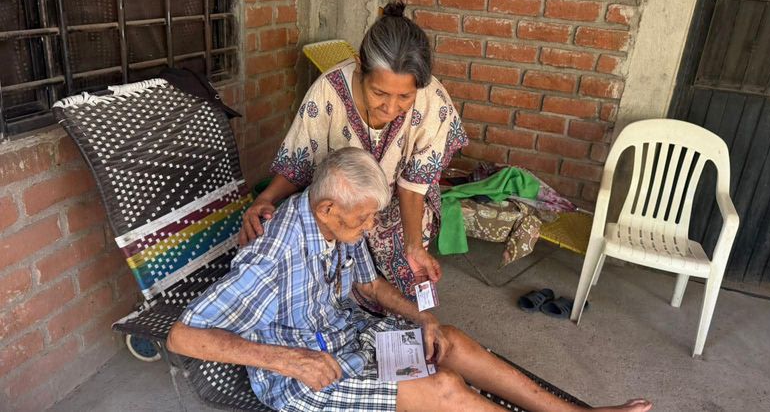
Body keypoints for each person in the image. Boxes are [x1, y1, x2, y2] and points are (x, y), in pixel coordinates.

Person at [168, 148, 652, 412]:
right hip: (304, 377)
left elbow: (369, 287)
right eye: (361, 222)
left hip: (348, 336)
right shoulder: (272, 255)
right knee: (443, 389)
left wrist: (423, 318)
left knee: (450, 343)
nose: (367, 232)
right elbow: (182, 334)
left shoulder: (339, 222)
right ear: (327, 209)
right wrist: (284, 359)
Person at [238, 0, 468, 305]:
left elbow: (413, 186)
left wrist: (414, 246)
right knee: (302, 257)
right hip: (344, 199)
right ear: (360, 65)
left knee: (400, 282)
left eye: (405, 97)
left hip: (402, 203)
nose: (390, 108)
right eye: (379, 93)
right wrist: (265, 200)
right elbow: (300, 164)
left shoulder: (432, 102)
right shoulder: (327, 91)